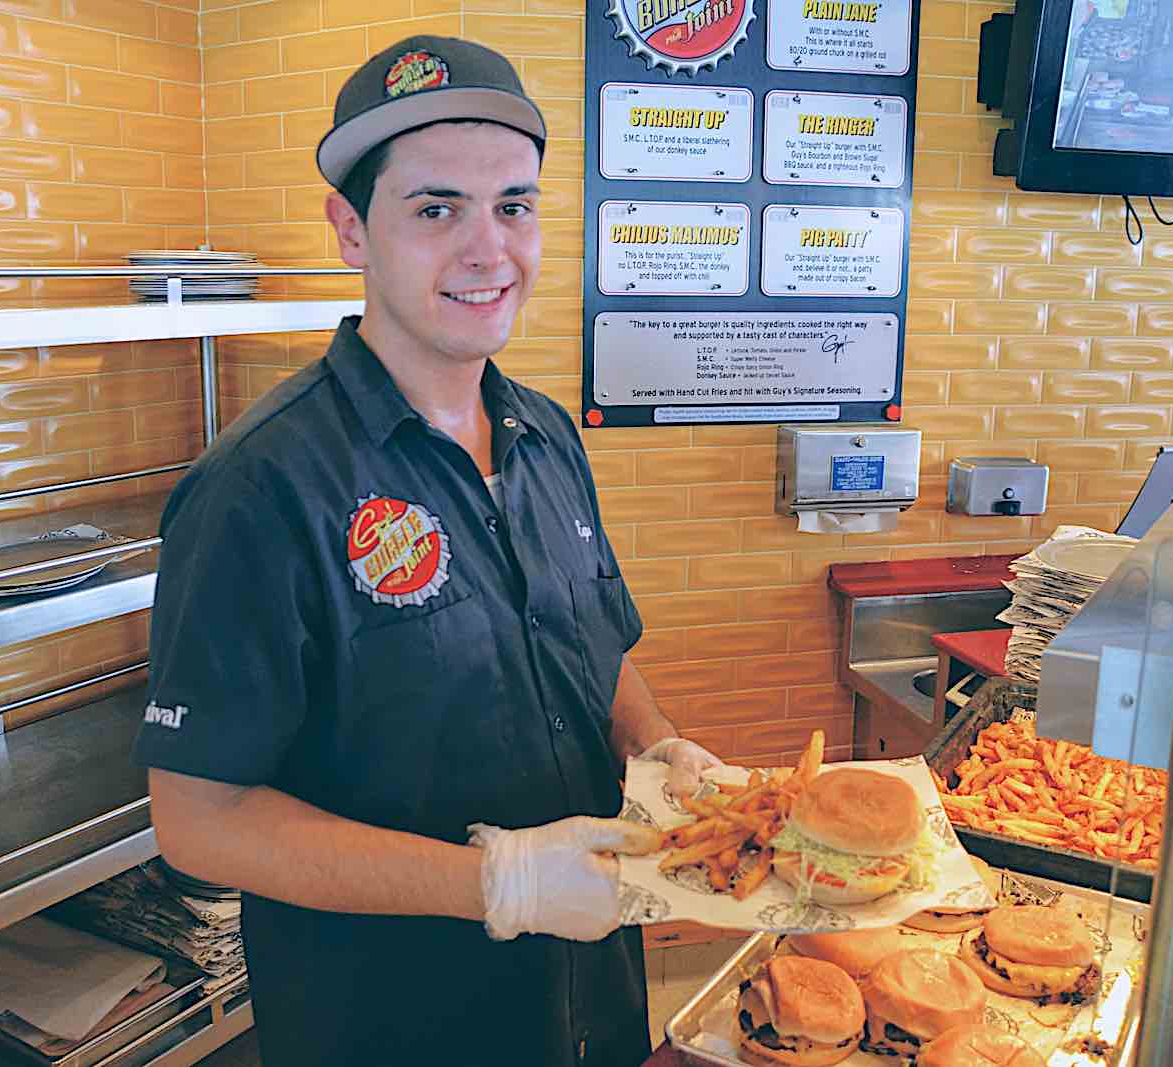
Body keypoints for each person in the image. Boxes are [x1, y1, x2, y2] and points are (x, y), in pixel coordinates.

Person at [132, 35, 723, 1067]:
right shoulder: (260, 486)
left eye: (515, 205)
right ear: (352, 231)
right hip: (391, 1020)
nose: (489, 248)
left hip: (592, 1002)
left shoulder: (544, 432)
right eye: (436, 208)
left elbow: (589, 646)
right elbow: (200, 817)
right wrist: (498, 882)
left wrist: (659, 748)